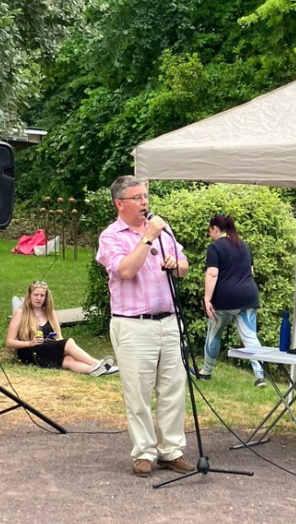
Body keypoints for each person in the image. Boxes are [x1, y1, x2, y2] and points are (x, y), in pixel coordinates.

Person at [95, 175, 195, 478]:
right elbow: (125, 270)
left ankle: (171, 451)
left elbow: (184, 264)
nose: (144, 202)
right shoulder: (111, 236)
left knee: (173, 387)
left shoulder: (163, 231)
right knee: (138, 392)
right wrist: (148, 238)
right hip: (133, 325)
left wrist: (175, 265)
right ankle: (143, 453)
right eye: (137, 198)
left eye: (145, 196)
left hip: (168, 321)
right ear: (119, 203)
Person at [199, 214, 266, 387]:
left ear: (215, 229)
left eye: (210, 231)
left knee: (214, 333)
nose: (210, 235)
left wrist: (207, 300)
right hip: (248, 295)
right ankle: (261, 377)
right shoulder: (243, 245)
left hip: (225, 299)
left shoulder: (215, 247)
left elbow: (212, 274)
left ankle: (206, 371)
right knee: (250, 337)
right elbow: (250, 272)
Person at [6, 281, 118, 376]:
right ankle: (97, 363)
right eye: (36, 295)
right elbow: (9, 342)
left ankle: (96, 370)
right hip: (30, 351)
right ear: (29, 296)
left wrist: (54, 341)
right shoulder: (21, 313)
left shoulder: (50, 313)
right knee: (69, 342)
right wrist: (30, 343)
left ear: (46, 297)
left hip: (48, 347)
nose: (39, 298)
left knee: (68, 360)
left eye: (42, 295)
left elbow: (59, 337)